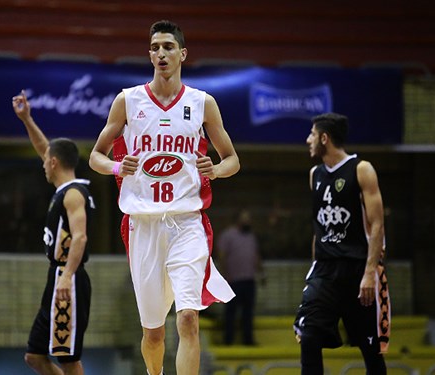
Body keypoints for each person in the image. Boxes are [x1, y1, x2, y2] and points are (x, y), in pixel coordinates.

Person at [88, 20, 240, 375]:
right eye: (155, 47)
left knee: (188, 318)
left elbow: (232, 159)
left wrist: (215, 170)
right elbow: (95, 155)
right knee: (153, 334)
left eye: (168, 47)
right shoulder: (128, 100)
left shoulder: (203, 103)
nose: (161, 53)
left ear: (182, 54)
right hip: (144, 225)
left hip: (187, 222)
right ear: (149, 54)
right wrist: (115, 168)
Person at [293, 113, 390, 375]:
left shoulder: (362, 169)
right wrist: (314, 270)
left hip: (358, 269)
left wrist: (370, 273)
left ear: (325, 138)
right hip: (325, 270)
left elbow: (378, 224)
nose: (308, 140)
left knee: (371, 349)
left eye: (312, 134)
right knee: (308, 334)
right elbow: (318, 228)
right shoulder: (315, 174)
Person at [12, 90, 94, 375]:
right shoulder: (64, 188)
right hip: (57, 275)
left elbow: (80, 237)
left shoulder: (73, 195)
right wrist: (27, 119)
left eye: (46, 160)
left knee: (68, 359)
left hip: (68, 277)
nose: (43, 162)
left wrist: (67, 276)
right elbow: (44, 147)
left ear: (55, 163)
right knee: (34, 356)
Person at [216, 209, 263, 345]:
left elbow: (256, 255)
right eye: (245, 218)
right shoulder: (228, 235)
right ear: (237, 220)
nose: (248, 221)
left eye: (249, 218)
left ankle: (248, 340)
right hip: (233, 280)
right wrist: (225, 275)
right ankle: (228, 340)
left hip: (249, 280)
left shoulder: (251, 237)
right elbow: (222, 255)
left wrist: (261, 272)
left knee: (248, 312)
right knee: (230, 311)